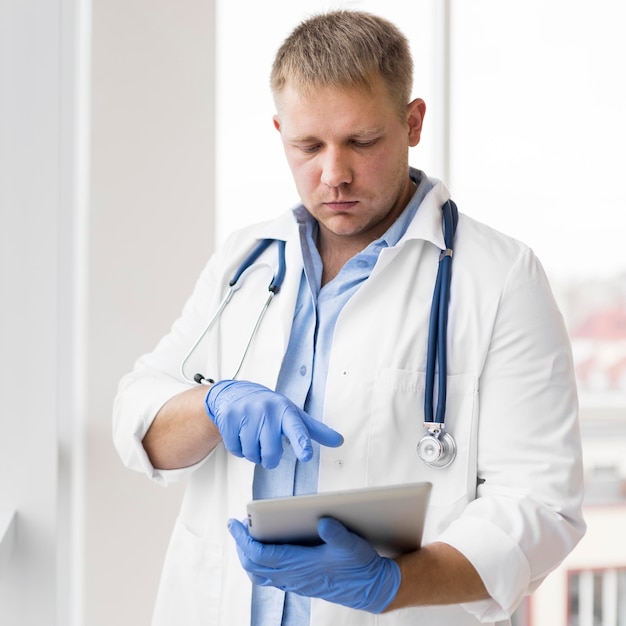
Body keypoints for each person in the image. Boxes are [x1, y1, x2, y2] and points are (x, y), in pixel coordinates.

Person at [113, 9, 585, 626]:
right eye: (307, 146)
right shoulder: (246, 262)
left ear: (412, 122)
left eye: (362, 142)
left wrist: (390, 583)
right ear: (279, 130)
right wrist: (211, 407)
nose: (333, 174)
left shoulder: (499, 277)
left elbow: (542, 505)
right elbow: (138, 415)